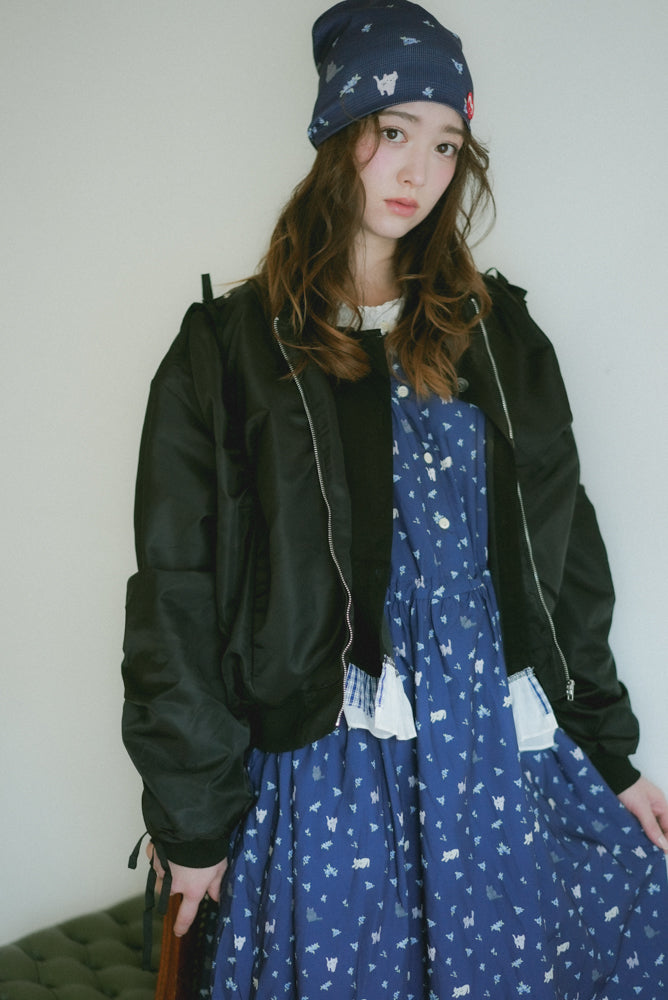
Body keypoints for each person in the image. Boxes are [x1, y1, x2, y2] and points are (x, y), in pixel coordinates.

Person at [121, 1, 668, 996]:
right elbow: (176, 591)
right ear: (339, 134)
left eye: (446, 144)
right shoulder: (230, 349)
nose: (420, 171)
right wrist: (191, 822)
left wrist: (610, 751)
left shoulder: (498, 337)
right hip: (326, 760)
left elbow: (567, 563)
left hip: (492, 753)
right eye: (393, 132)